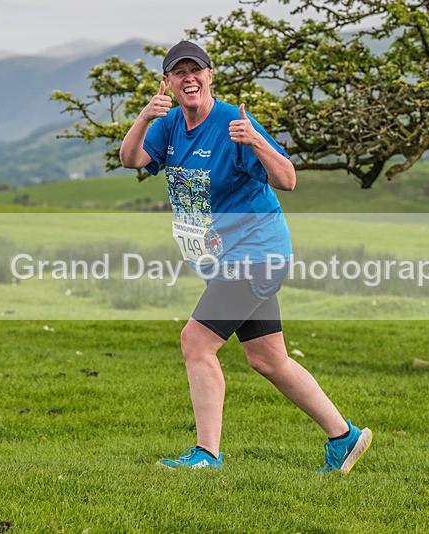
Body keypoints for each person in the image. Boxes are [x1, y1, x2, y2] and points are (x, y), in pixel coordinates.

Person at [119, 40, 372, 473]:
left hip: (256, 253)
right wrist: (145, 116)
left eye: (195, 70)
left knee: (196, 342)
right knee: (268, 359)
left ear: (210, 75)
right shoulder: (168, 124)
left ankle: (206, 455)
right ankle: (344, 437)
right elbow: (131, 159)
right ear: (168, 82)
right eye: (179, 73)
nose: (188, 79)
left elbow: (287, 179)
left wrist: (255, 139)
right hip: (225, 258)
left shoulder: (233, 121)